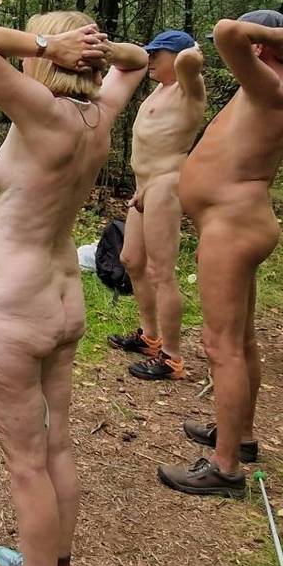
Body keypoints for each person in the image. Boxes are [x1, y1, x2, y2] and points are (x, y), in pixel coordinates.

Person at [0, 13, 147, 566]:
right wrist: (98, 52)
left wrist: (50, 45)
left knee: (27, 463)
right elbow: (138, 62)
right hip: (62, 300)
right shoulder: (98, 116)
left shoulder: (41, 112)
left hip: (18, 307)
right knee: (56, 447)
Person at [156, 11, 283, 498]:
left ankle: (224, 469)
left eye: (255, 40)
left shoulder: (273, 86)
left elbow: (226, 31)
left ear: (261, 46)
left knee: (221, 347)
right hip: (234, 222)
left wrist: (273, 35)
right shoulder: (269, 86)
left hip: (234, 225)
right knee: (240, 338)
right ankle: (239, 436)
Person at [108, 31, 206, 381]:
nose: (149, 60)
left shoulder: (189, 88)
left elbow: (191, 61)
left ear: (176, 57)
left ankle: (172, 358)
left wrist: (192, 48)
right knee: (131, 260)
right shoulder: (160, 88)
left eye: (157, 54)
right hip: (144, 185)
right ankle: (150, 337)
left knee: (160, 272)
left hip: (166, 185)